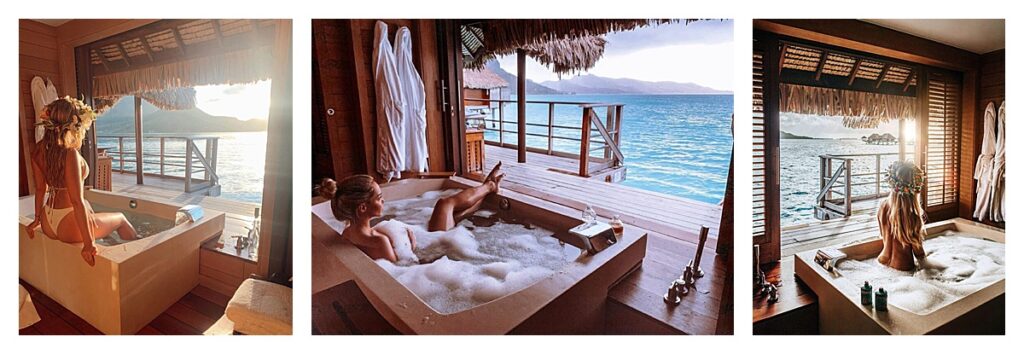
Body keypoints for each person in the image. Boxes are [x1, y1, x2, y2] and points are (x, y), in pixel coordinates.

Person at [26, 97, 138, 266]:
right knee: (121, 218)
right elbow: (76, 201)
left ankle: (111, 247)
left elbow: (41, 189)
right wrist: (88, 243)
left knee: (88, 207)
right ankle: (137, 258)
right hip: (68, 223)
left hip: (48, 219)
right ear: (73, 123)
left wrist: (36, 219)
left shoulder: (38, 150)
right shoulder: (69, 154)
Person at [323, 162, 504, 262]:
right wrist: (410, 243)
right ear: (362, 208)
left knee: (453, 216)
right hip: (433, 250)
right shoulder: (379, 241)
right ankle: (489, 186)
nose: (383, 200)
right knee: (444, 204)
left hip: (429, 242)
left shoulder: (348, 232)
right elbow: (404, 270)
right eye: (379, 198)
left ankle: (485, 195)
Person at [876, 161, 927, 271]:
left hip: (881, 262)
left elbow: (882, 235)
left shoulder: (882, 207)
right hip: (902, 269)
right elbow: (920, 256)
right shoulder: (913, 218)